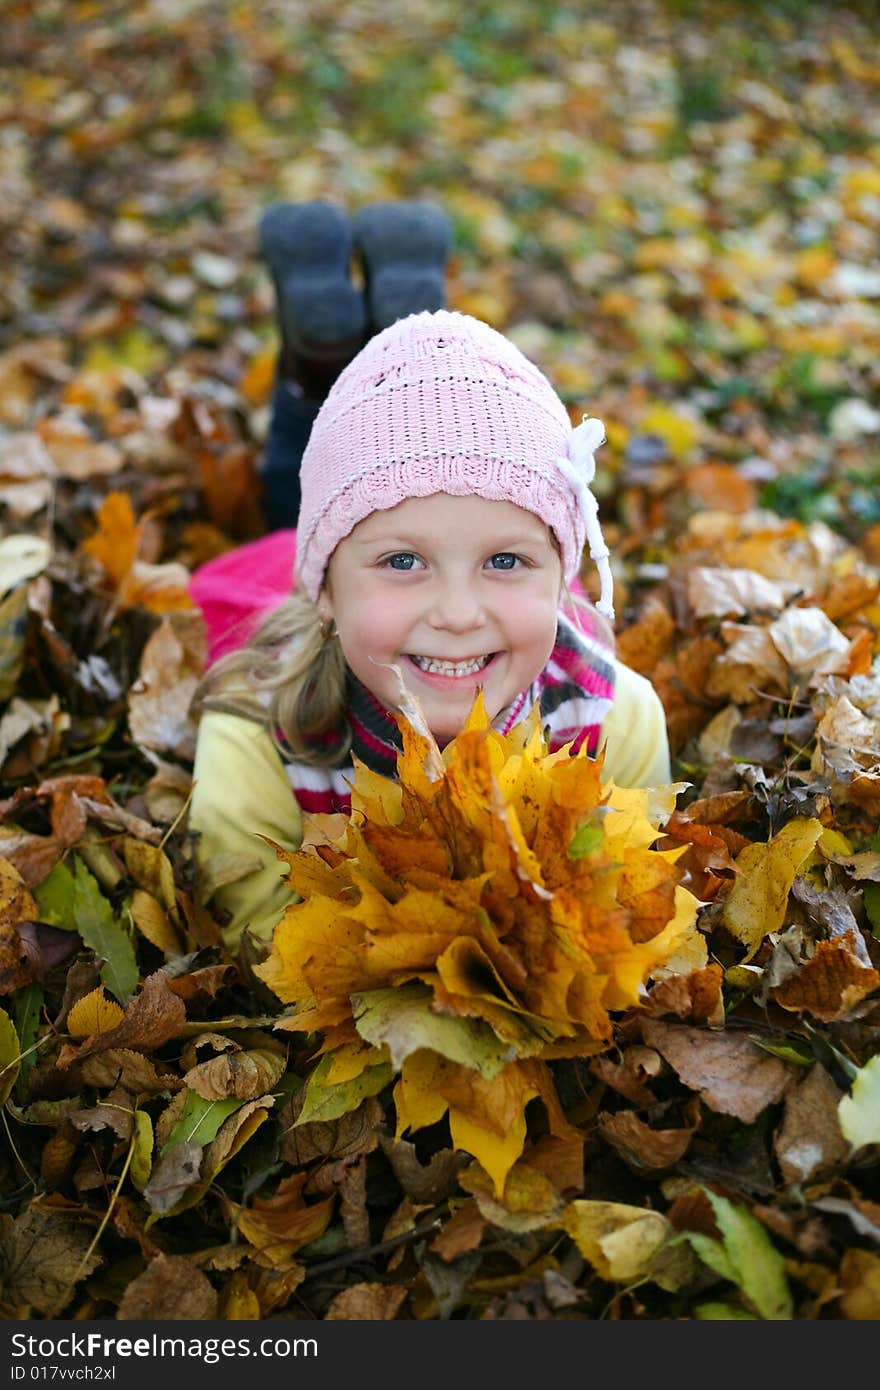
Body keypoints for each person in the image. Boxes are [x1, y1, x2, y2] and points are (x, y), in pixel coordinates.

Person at [188, 221, 671, 954]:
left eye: (505, 561)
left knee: (371, 487)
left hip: (351, 549)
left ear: (560, 571)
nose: (455, 615)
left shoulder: (613, 721)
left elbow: (629, 913)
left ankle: (369, 369)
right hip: (279, 568)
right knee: (289, 502)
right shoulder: (259, 739)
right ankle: (315, 370)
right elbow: (267, 952)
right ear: (325, 592)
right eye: (404, 563)